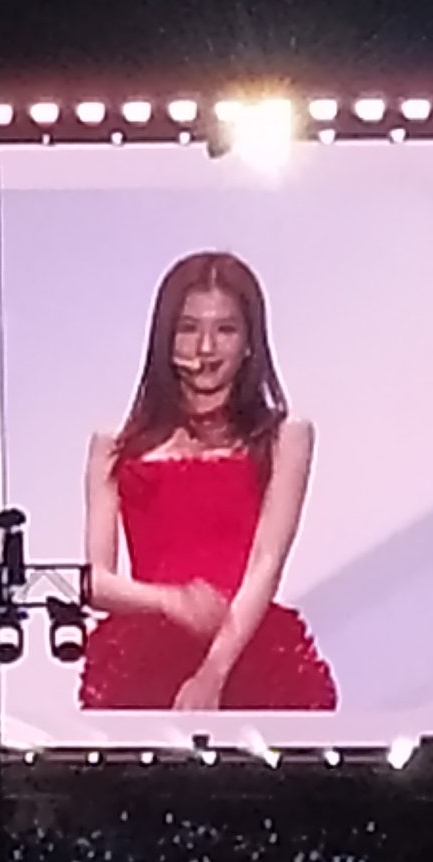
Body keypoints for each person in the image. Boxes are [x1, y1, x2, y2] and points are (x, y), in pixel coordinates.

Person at [80, 251, 336, 712]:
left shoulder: (285, 438)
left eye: (226, 330)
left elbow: (267, 562)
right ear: (165, 339)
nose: (206, 348)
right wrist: (171, 601)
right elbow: (96, 582)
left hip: (252, 654)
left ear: (250, 342)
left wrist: (213, 672)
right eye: (188, 328)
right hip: (141, 665)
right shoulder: (114, 447)